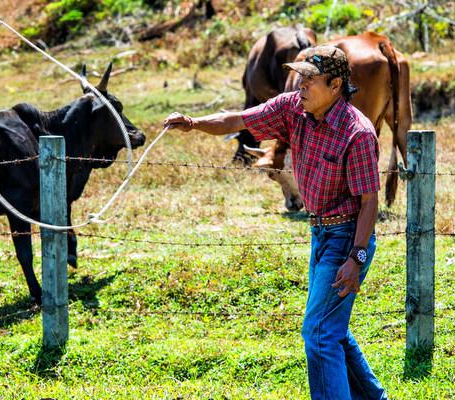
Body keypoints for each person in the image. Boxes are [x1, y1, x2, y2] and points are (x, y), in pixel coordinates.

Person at [164, 45, 387, 400]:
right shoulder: (291, 110)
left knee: (318, 335)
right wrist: (193, 124)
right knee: (333, 331)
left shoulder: (356, 133)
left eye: (309, 80)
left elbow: (369, 202)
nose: (300, 86)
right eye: (299, 77)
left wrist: (355, 258)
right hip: (321, 233)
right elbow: (237, 119)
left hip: (346, 238)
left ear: (334, 85)